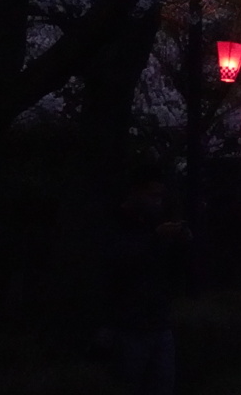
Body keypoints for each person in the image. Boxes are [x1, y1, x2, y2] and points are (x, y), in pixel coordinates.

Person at [103, 164, 191, 395]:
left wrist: (180, 244)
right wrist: (157, 240)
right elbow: (119, 263)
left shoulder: (153, 221)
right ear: (136, 192)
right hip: (130, 325)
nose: (158, 202)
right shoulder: (117, 222)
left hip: (158, 321)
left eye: (160, 197)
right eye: (153, 196)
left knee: (162, 384)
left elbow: (170, 270)